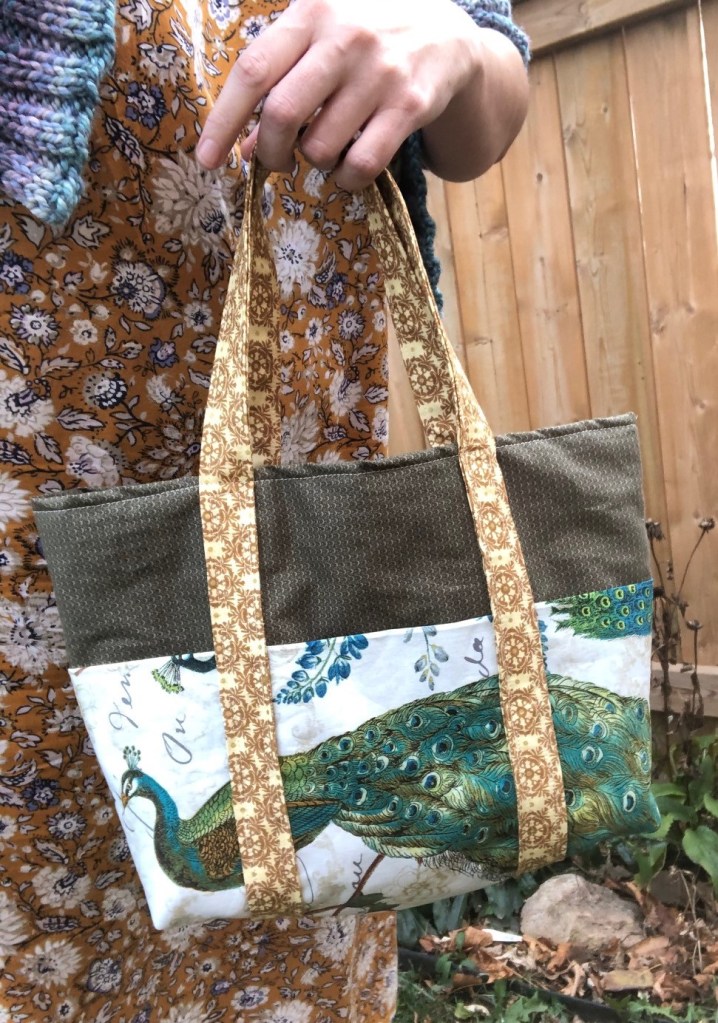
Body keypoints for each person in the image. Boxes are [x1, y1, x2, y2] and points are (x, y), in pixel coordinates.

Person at [0, 1, 528, 1020]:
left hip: (309, 474)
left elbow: (485, 114)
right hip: (37, 476)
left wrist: (456, 42)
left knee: (303, 917)